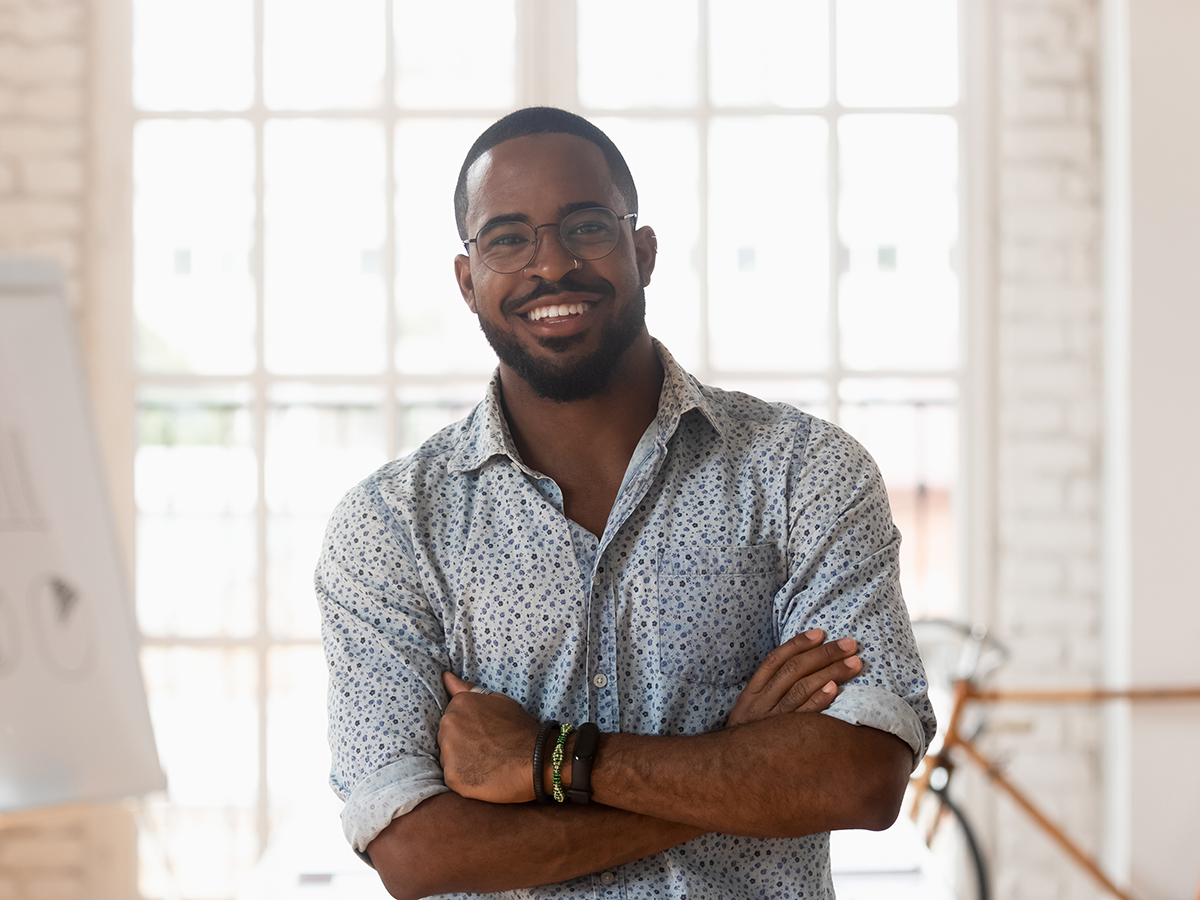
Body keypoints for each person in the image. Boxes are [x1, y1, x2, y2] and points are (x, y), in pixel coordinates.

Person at [317, 107, 935, 900]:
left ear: (641, 251)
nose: (551, 265)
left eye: (586, 226)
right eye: (508, 238)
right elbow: (416, 851)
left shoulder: (802, 472)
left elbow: (860, 778)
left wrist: (549, 759)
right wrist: (741, 759)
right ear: (468, 282)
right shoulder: (390, 528)